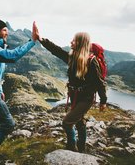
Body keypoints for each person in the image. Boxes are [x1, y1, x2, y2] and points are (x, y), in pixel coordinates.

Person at [33, 23, 107, 153]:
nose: (71, 42)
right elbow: (56, 50)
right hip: (75, 96)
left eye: (74, 40)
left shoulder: (91, 61)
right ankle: (82, 148)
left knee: (67, 122)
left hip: (85, 99)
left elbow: (99, 83)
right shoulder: (72, 58)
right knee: (79, 122)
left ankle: (71, 146)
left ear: (81, 43)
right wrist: (41, 39)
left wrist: (103, 101)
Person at [0, 17, 38, 160]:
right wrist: (32, 41)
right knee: (8, 124)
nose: (7, 33)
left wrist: (1, 90)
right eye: (4, 30)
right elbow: (12, 57)